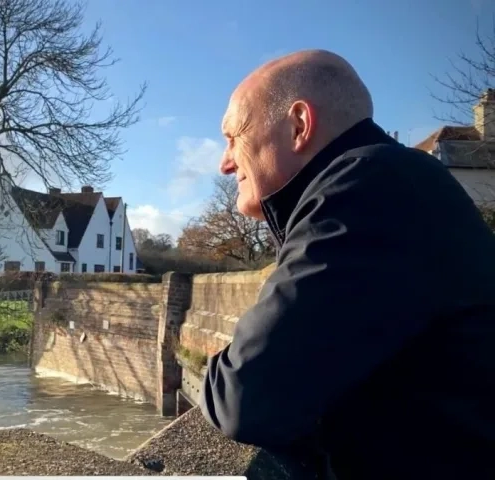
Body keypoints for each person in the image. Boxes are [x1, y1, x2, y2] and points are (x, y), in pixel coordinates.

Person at [199, 49, 495, 480]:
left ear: (298, 125)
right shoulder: (390, 180)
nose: (225, 163)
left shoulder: (365, 190)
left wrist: (215, 367)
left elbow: (245, 398)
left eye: (234, 136)